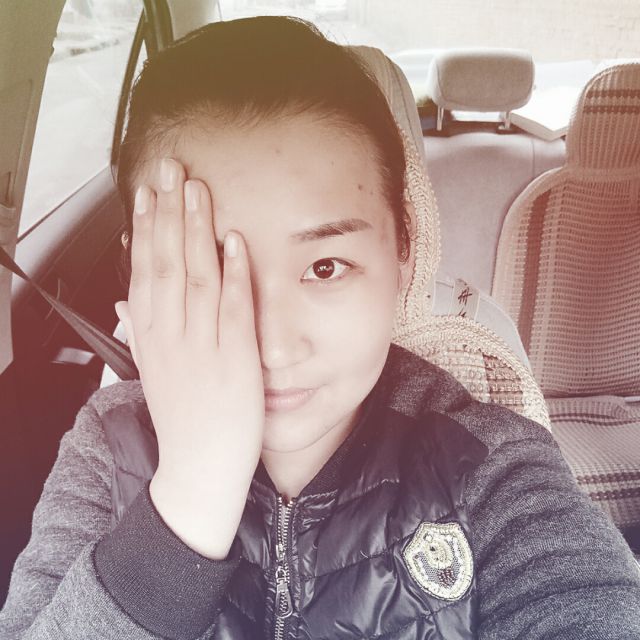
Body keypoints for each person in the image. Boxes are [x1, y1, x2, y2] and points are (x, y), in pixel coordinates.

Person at [1, 15, 639, 640]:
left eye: (325, 267)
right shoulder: (105, 449)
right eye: (211, 271)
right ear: (145, 272)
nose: (275, 348)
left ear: (403, 255)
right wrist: (189, 495)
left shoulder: (491, 465)